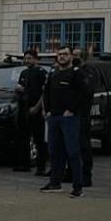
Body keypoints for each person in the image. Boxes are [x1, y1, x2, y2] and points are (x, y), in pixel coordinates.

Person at [40, 47, 86, 197]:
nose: (61, 57)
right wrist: (47, 110)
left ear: (71, 56)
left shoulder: (77, 73)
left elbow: (83, 94)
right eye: (59, 55)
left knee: (72, 152)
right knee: (54, 152)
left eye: (65, 54)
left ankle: (78, 186)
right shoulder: (53, 73)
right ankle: (55, 182)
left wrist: (71, 110)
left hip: (69, 118)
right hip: (53, 117)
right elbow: (46, 93)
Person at [15, 49, 48, 175]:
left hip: (36, 109)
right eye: (25, 58)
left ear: (35, 59)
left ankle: (41, 167)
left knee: (39, 139)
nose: (26, 60)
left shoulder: (41, 72)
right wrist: (19, 90)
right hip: (24, 108)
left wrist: (37, 107)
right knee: (23, 137)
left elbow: (44, 93)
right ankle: (24, 164)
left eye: (29, 58)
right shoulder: (24, 73)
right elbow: (20, 89)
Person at [71, 46, 96, 187]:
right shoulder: (70, 71)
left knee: (84, 146)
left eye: (76, 55)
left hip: (82, 114)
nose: (73, 58)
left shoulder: (89, 71)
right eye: (72, 55)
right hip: (70, 114)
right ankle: (71, 173)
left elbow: (87, 90)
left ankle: (86, 176)